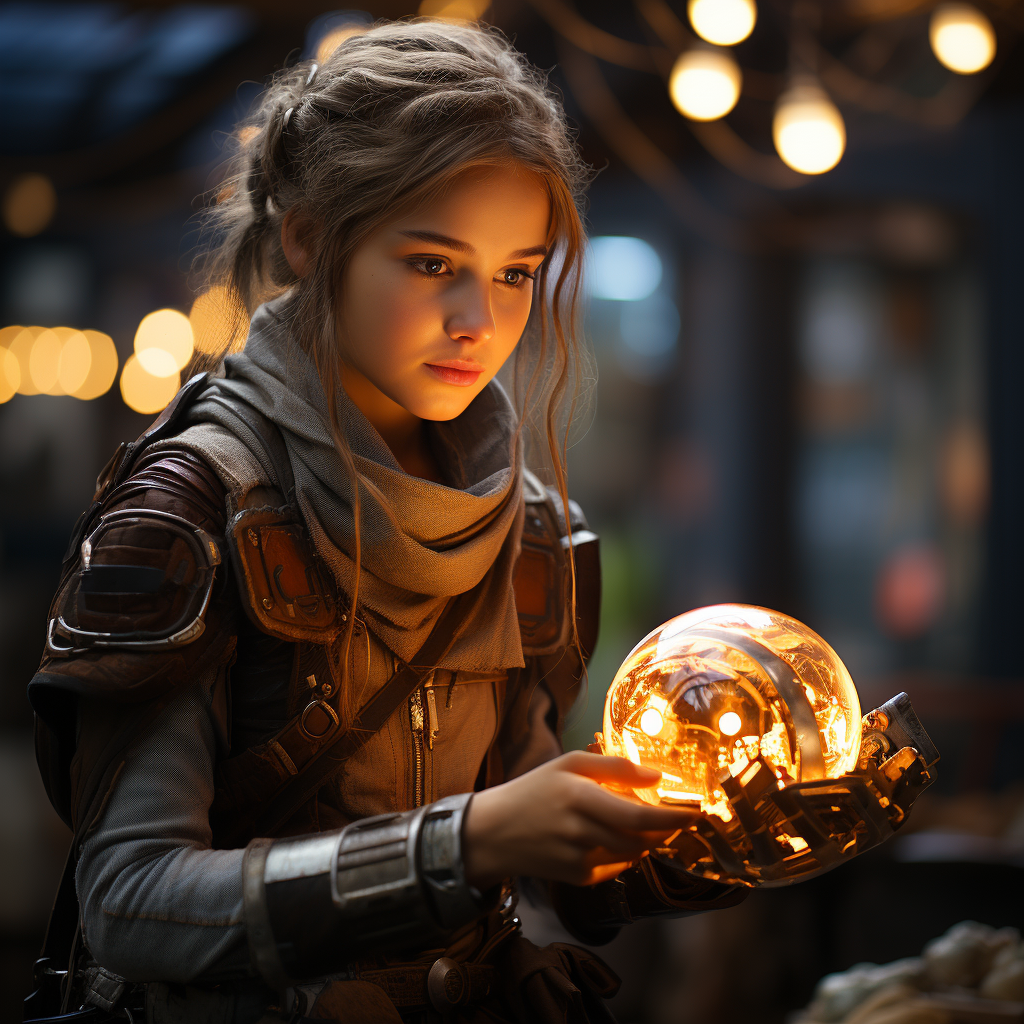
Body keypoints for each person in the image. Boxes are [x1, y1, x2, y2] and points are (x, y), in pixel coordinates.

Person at [28, 20, 744, 1024]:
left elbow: (547, 862)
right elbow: (130, 905)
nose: (477, 320)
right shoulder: (187, 507)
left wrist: (704, 833)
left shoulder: (533, 528)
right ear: (311, 238)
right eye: (430, 262)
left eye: (512, 272)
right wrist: (467, 843)